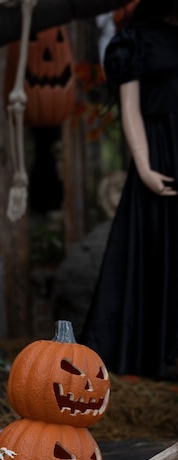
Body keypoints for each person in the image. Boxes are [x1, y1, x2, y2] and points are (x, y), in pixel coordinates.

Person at [80, 0, 178, 380]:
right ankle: (153, 355)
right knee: (152, 250)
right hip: (159, 156)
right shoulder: (133, 42)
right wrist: (144, 164)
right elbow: (130, 108)